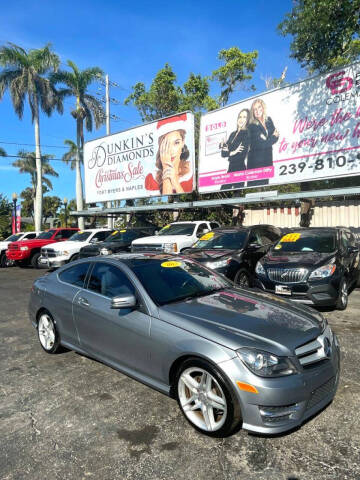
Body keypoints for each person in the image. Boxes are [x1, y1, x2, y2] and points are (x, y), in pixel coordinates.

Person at [145, 114, 193, 194]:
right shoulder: (152, 180)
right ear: (160, 147)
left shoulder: (191, 172)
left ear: (183, 142)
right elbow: (165, 203)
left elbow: (187, 202)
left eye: (176, 143)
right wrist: (166, 170)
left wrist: (175, 181)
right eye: (166, 145)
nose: (171, 151)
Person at [247, 99, 279, 187]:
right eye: (254, 109)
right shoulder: (251, 126)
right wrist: (272, 137)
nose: (257, 111)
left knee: (265, 187)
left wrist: (268, 139)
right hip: (255, 163)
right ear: (252, 112)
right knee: (255, 190)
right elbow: (260, 144)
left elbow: (276, 135)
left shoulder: (269, 120)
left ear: (263, 107)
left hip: (267, 159)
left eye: (259, 107)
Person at [219, 108, 250, 190]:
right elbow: (223, 154)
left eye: (244, 117)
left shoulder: (247, 134)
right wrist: (232, 151)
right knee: (223, 191)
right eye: (240, 117)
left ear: (247, 120)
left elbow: (241, 154)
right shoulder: (232, 134)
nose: (241, 119)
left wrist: (229, 151)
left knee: (237, 197)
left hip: (240, 168)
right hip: (231, 168)